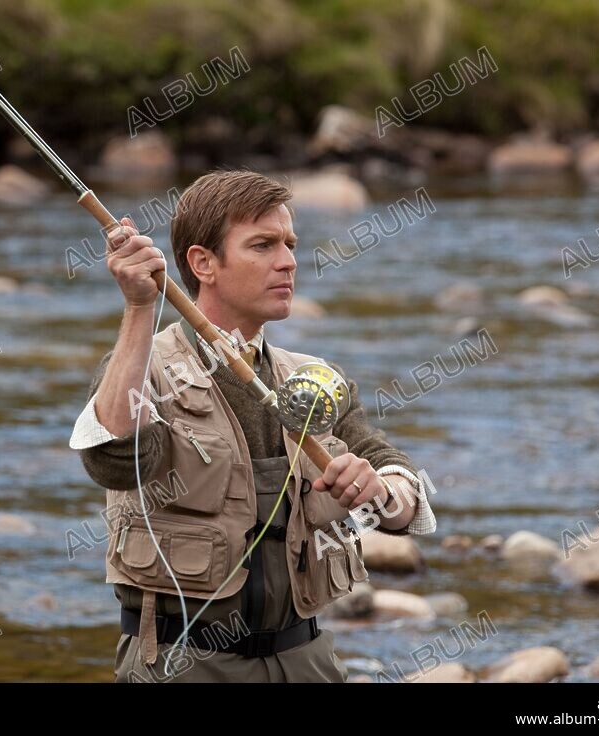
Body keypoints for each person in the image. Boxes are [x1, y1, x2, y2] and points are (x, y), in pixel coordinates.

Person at [69, 170, 436, 682]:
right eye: (262, 245)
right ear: (203, 263)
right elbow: (111, 460)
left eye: (289, 244)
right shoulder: (141, 367)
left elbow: (401, 491)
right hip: (182, 663)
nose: (287, 261)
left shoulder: (315, 380)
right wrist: (138, 309)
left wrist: (384, 489)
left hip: (305, 659)